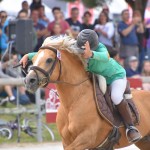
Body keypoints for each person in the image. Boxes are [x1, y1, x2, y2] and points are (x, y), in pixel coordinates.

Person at [19, 29, 141, 143]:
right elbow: (51, 54)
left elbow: (105, 57)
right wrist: (29, 56)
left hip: (115, 76)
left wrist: (91, 54)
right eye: (81, 48)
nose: (82, 51)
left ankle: (130, 128)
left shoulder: (101, 47)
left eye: (85, 49)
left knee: (115, 97)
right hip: (97, 75)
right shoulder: (78, 47)